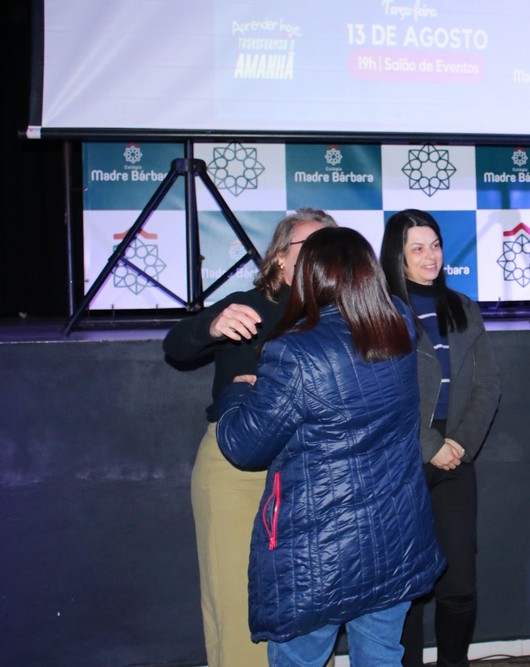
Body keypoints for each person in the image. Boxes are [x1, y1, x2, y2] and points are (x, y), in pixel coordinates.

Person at [214, 226, 446, 666]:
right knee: (382, 658)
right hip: (394, 538)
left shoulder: (295, 353)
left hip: (318, 554)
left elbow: (243, 447)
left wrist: (238, 391)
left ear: (310, 277)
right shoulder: (399, 322)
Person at [162, 208, 336, 667]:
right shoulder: (249, 304)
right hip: (236, 471)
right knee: (236, 602)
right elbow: (176, 345)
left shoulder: (336, 316)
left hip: (307, 469)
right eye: (309, 246)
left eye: (329, 247)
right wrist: (210, 326)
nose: (320, 256)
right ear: (280, 257)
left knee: (310, 606)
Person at [379, 209, 501, 667]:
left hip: (456, 457)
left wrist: (459, 445)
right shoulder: (380, 309)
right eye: (417, 248)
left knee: (460, 586)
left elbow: (488, 385)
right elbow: (382, 393)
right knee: (406, 589)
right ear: (397, 256)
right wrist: (430, 445)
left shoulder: (462, 306)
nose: (430, 256)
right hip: (402, 458)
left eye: (435, 245)